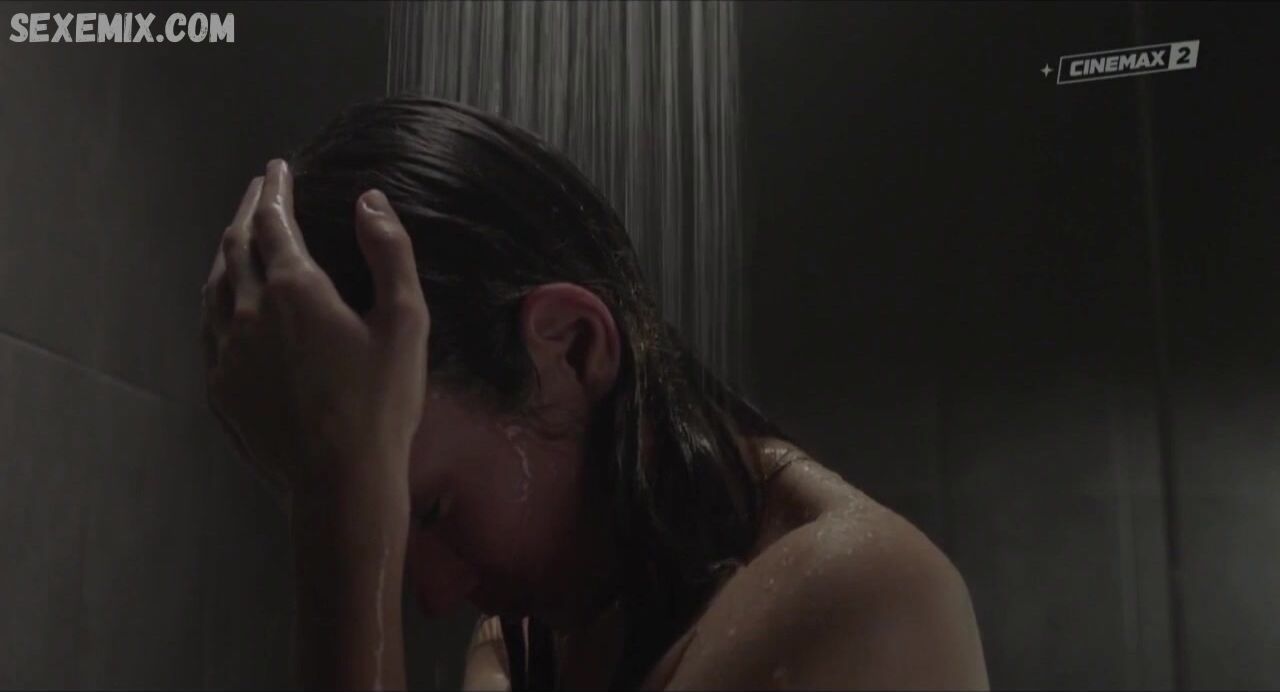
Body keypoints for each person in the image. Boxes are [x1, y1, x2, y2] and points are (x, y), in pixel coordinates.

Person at [200, 96, 989, 691]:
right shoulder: (523, 643)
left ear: (573, 349)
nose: (433, 597)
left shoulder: (865, 604)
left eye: (431, 510)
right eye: (383, 520)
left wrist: (340, 513)